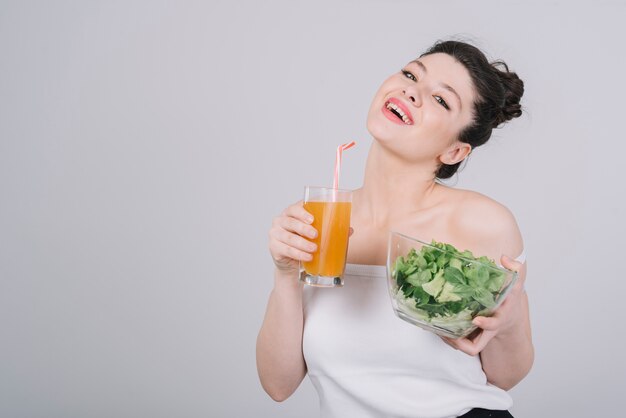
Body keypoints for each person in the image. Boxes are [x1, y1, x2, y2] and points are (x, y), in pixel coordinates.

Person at [256, 40, 533, 418]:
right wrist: (285, 274)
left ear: (455, 151)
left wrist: (510, 318)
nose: (412, 92)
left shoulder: (482, 222)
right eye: (410, 75)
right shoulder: (320, 223)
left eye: (441, 100)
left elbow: (505, 375)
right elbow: (278, 385)